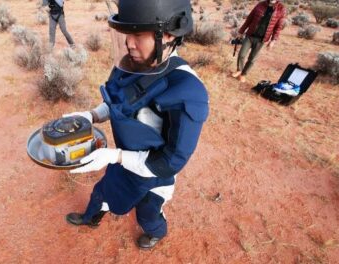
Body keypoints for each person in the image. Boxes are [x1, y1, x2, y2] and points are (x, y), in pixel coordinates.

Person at [63, 0, 209, 249]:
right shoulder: (133, 63)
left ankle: (157, 232)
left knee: (147, 213)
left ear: (170, 34)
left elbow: (169, 162)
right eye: (126, 33)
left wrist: (116, 155)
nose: (129, 43)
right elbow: (118, 102)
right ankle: (91, 217)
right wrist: (91, 116)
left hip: (153, 176)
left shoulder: (187, 90)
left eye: (138, 34)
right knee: (101, 191)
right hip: (123, 160)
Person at [232, 0, 286, 83]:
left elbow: (278, 27)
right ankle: (239, 70)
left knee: (252, 59)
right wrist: (241, 31)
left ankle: (243, 74)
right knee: (242, 54)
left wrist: (273, 41)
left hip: (262, 39)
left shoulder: (281, 9)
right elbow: (249, 19)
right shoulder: (261, 4)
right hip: (250, 35)